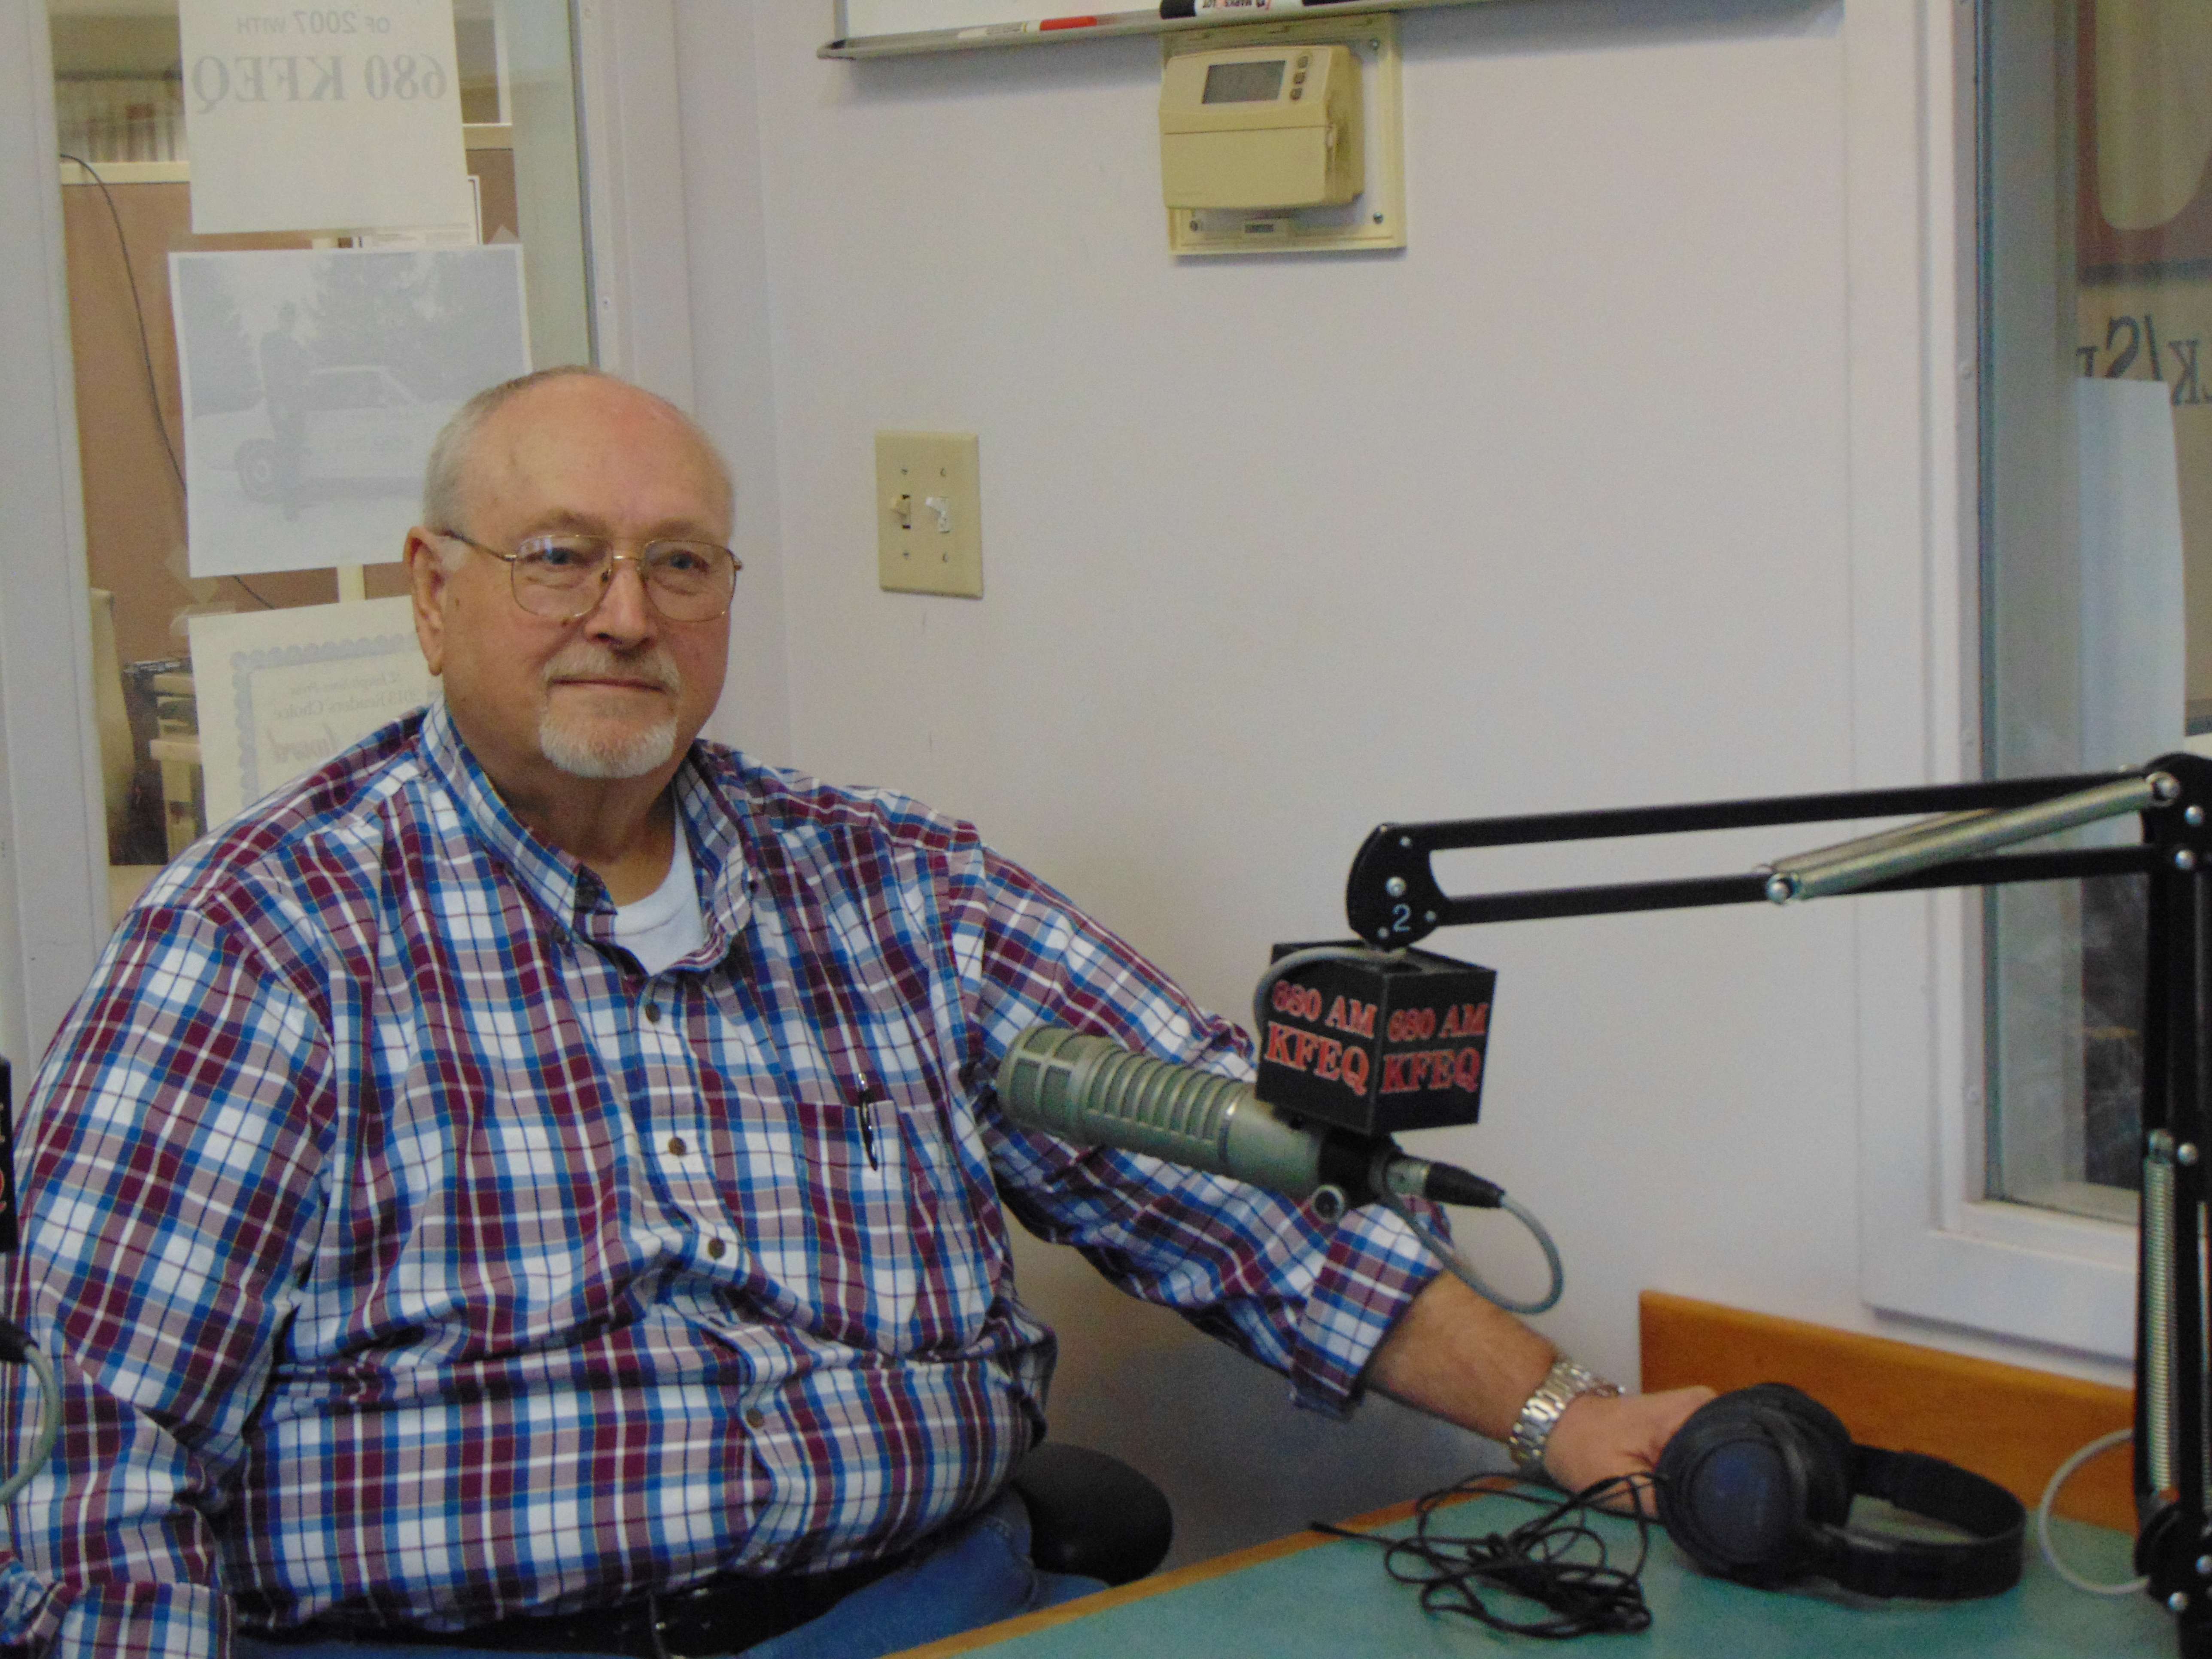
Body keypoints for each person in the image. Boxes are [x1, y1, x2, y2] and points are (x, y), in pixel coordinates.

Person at [0, 369, 1708, 1659]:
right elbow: (87, 1462)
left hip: (923, 1615)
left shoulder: (898, 893)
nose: (625, 614)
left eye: (679, 564)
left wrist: (1567, 1419)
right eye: (557, 559)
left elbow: (1240, 1183)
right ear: (430, 592)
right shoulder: (260, 941)